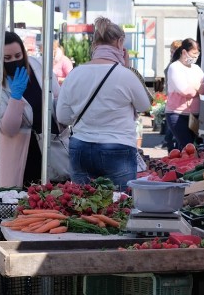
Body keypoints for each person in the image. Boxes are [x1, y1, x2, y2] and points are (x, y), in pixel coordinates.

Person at [56, 17, 151, 189]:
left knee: (81, 206)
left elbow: (63, 116)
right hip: (119, 148)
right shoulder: (126, 75)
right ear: (120, 42)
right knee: (119, 206)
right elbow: (144, 105)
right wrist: (129, 68)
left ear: (95, 44)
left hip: (80, 147)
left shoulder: (75, 74)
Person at [0, 31, 59, 187]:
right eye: (7, 58)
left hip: (50, 149)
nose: (14, 61)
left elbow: (56, 99)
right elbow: (9, 129)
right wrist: (15, 97)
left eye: (18, 55)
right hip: (21, 155)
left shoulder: (39, 67)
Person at [164, 38, 204, 150]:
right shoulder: (174, 67)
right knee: (187, 146)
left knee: (189, 147)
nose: (196, 56)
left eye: (198, 53)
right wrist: (199, 86)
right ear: (184, 52)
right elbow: (184, 91)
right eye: (194, 53)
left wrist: (194, 85)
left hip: (194, 116)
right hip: (177, 114)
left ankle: (183, 166)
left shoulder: (196, 68)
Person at [159, 39, 184, 150]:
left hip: (176, 101)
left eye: (173, 50)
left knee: (173, 129)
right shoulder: (174, 63)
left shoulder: (176, 64)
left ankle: (170, 147)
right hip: (173, 99)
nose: (171, 52)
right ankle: (171, 147)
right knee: (174, 129)